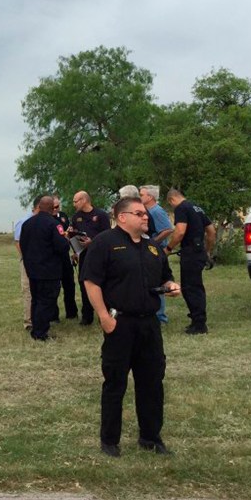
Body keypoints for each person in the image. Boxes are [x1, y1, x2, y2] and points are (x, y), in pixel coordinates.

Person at [80, 197, 181, 458]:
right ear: (122, 217)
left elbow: (164, 276)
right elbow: (91, 282)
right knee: (115, 382)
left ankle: (150, 437)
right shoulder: (104, 243)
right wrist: (103, 316)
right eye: (139, 213)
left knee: (152, 381)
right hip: (119, 323)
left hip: (149, 324)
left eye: (145, 213)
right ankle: (110, 440)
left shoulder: (152, 247)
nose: (145, 217)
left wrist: (170, 286)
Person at [18, 196, 71, 341]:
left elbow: (22, 244)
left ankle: (36, 327)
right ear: (51, 208)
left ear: (39, 207)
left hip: (32, 269)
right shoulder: (54, 224)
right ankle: (41, 332)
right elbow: (62, 247)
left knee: (36, 299)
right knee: (47, 301)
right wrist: (66, 239)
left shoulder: (27, 224)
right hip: (49, 270)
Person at [165, 188, 216, 335]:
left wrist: (168, 248)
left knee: (190, 288)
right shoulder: (196, 207)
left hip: (190, 252)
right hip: (199, 251)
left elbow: (180, 231)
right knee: (196, 286)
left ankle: (199, 323)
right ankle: (197, 320)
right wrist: (207, 251)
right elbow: (211, 231)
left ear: (171, 200)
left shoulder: (181, 208)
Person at [70, 191, 112, 325]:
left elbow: (108, 236)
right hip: (84, 256)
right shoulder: (76, 217)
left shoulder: (100, 215)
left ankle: (105, 315)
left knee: (103, 285)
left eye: (75, 201)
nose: (73, 204)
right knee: (84, 285)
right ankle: (86, 316)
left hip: (100, 255)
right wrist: (76, 250)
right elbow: (75, 236)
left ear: (84, 200)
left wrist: (92, 242)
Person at [139, 185, 174, 323]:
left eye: (141, 195)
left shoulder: (156, 211)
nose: (139, 197)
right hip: (149, 250)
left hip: (156, 251)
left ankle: (160, 317)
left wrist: (152, 242)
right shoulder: (146, 210)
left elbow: (167, 230)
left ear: (150, 197)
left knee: (158, 281)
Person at [51, 196, 78, 320]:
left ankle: (71, 312)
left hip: (65, 255)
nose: (57, 209)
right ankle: (53, 315)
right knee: (54, 287)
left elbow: (68, 233)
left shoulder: (63, 216)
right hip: (53, 257)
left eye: (58, 206)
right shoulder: (47, 219)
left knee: (69, 285)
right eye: (55, 207)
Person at [13, 205, 36, 331]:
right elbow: (18, 242)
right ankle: (28, 321)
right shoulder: (23, 222)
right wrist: (27, 258)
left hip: (40, 262)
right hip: (28, 261)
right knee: (28, 290)